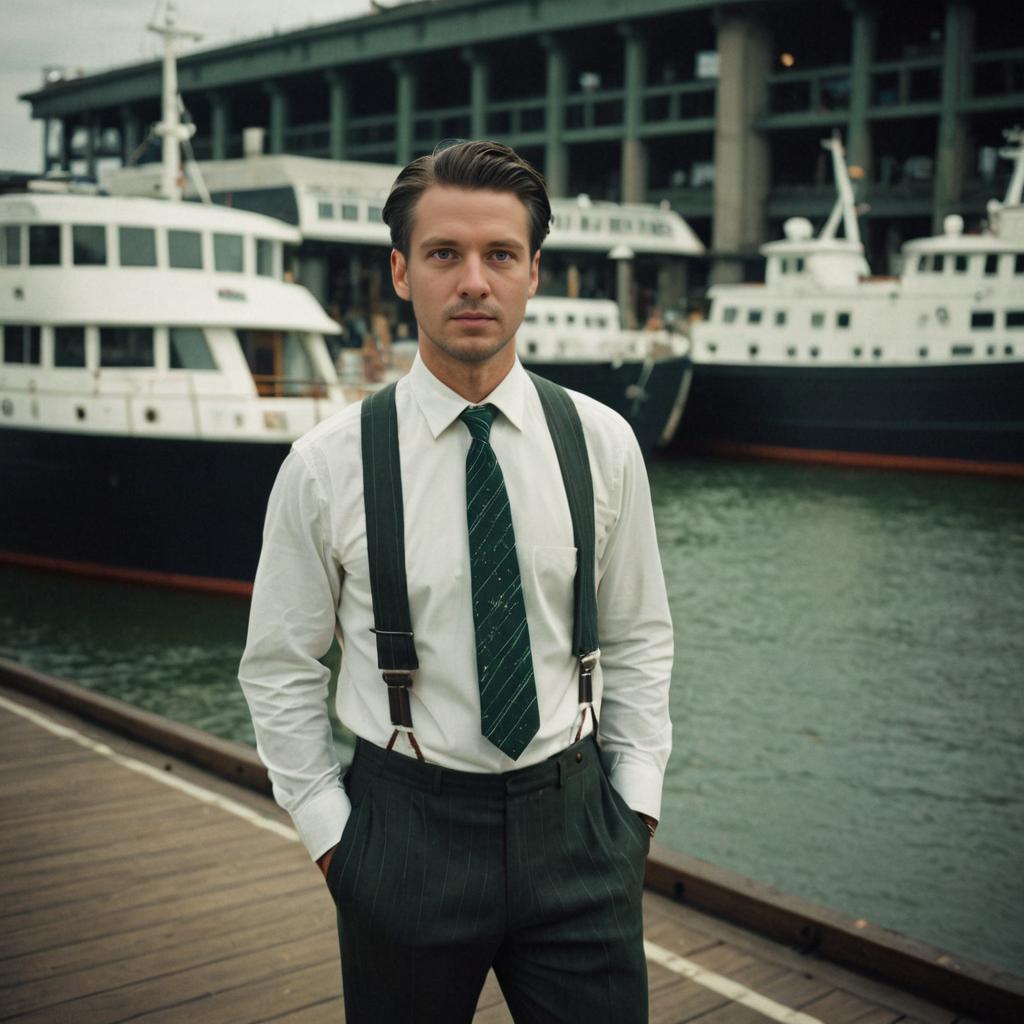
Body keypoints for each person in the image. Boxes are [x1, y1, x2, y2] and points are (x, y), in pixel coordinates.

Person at [239, 140, 673, 1023]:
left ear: (533, 273)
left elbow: (637, 636)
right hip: (403, 834)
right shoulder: (327, 466)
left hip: (580, 827)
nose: (473, 281)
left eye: (499, 255)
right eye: (444, 254)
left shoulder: (602, 443)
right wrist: (337, 844)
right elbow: (278, 667)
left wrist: (636, 809)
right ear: (401, 272)